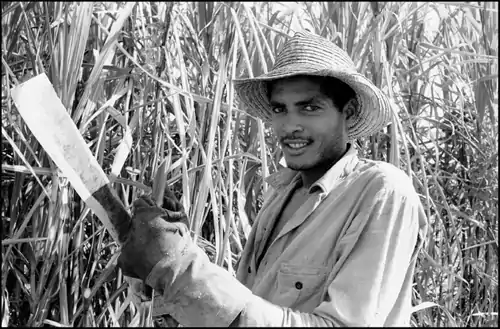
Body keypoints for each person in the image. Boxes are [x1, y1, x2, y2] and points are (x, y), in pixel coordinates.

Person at [117, 31, 428, 326]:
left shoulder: (381, 191)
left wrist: (182, 272)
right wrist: (170, 259)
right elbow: (249, 307)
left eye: (309, 108)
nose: (289, 125)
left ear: (347, 112)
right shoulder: (283, 194)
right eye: (280, 109)